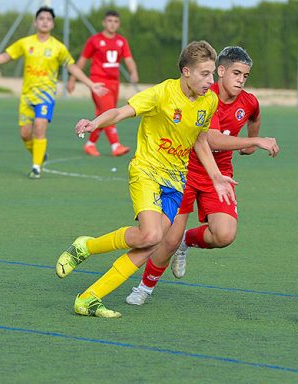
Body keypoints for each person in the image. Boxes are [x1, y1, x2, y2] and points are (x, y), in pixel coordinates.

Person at [54, 41, 278, 318]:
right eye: (205, 74)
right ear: (186, 71)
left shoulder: (208, 101)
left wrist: (216, 176)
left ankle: (89, 297)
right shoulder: (162, 93)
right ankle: (86, 247)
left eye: (212, 74)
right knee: (151, 235)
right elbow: (121, 112)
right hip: (146, 171)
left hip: (175, 179)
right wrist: (94, 122)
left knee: (148, 244)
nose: (211, 81)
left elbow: (199, 140)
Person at [125, 46, 278, 305]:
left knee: (224, 235)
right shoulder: (207, 95)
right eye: (236, 73)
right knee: (168, 239)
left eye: (245, 75)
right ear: (220, 71)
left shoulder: (249, 102)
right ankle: (144, 287)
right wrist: (256, 141)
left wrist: (252, 142)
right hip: (185, 170)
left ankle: (188, 240)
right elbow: (212, 138)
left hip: (219, 174)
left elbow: (255, 116)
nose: (241, 80)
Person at [0, 6, 107, 179]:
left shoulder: (58, 47)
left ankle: (36, 167)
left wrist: (90, 84)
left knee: (40, 127)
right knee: (25, 135)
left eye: (48, 19)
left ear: (53, 24)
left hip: (45, 95)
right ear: (35, 22)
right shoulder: (25, 43)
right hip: (27, 96)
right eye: (41, 18)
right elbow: (4, 57)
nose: (45, 21)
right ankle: (39, 153)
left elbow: (71, 67)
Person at [67, 9, 139, 157]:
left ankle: (90, 144)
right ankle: (115, 145)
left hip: (114, 83)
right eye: (110, 21)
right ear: (104, 22)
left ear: (118, 24)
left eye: (116, 21)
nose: (112, 24)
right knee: (110, 112)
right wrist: (72, 79)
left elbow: (129, 59)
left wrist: (133, 72)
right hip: (98, 83)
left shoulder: (121, 41)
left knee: (103, 113)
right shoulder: (94, 40)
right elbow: (82, 60)